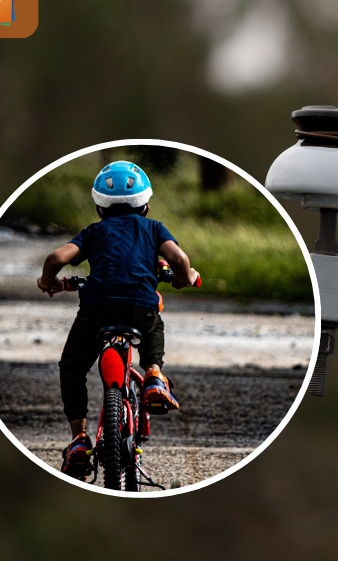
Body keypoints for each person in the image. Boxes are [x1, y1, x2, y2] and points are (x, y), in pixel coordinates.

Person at [36, 160, 199, 480]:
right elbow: (178, 259)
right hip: (140, 305)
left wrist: (48, 281)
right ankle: (154, 375)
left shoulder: (94, 232)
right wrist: (186, 277)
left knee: (72, 367)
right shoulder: (154, 228)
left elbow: (56, 258)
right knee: (153, 323)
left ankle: (79, 440)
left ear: (99, 209)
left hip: (97, 309)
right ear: (146, 206)